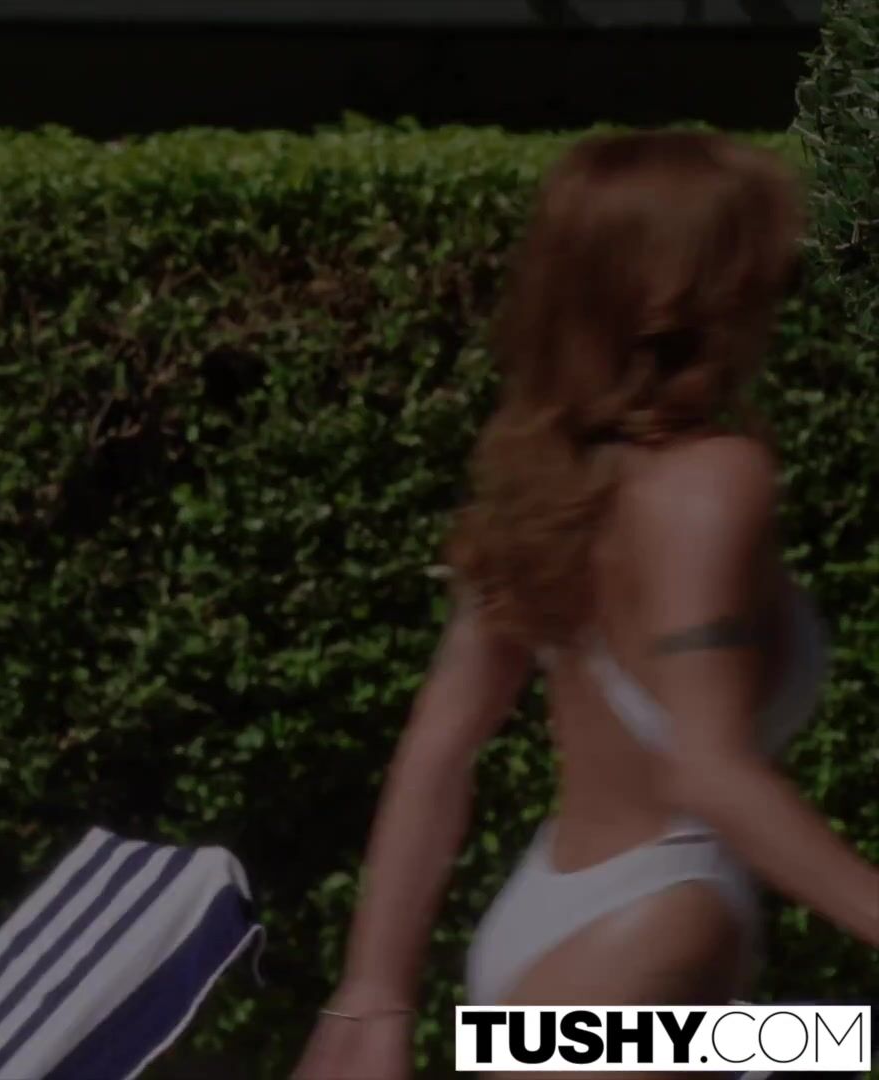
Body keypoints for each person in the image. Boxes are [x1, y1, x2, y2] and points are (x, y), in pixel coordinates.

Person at [291, 130, 879, 1079]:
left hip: (558, 941)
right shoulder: (714, 480)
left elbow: (440, 745)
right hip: (654, 930)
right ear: (690, 294)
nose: (776, 292)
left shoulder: (551, 486)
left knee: (825, 1050)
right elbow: (709, 772)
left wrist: (373, 992)